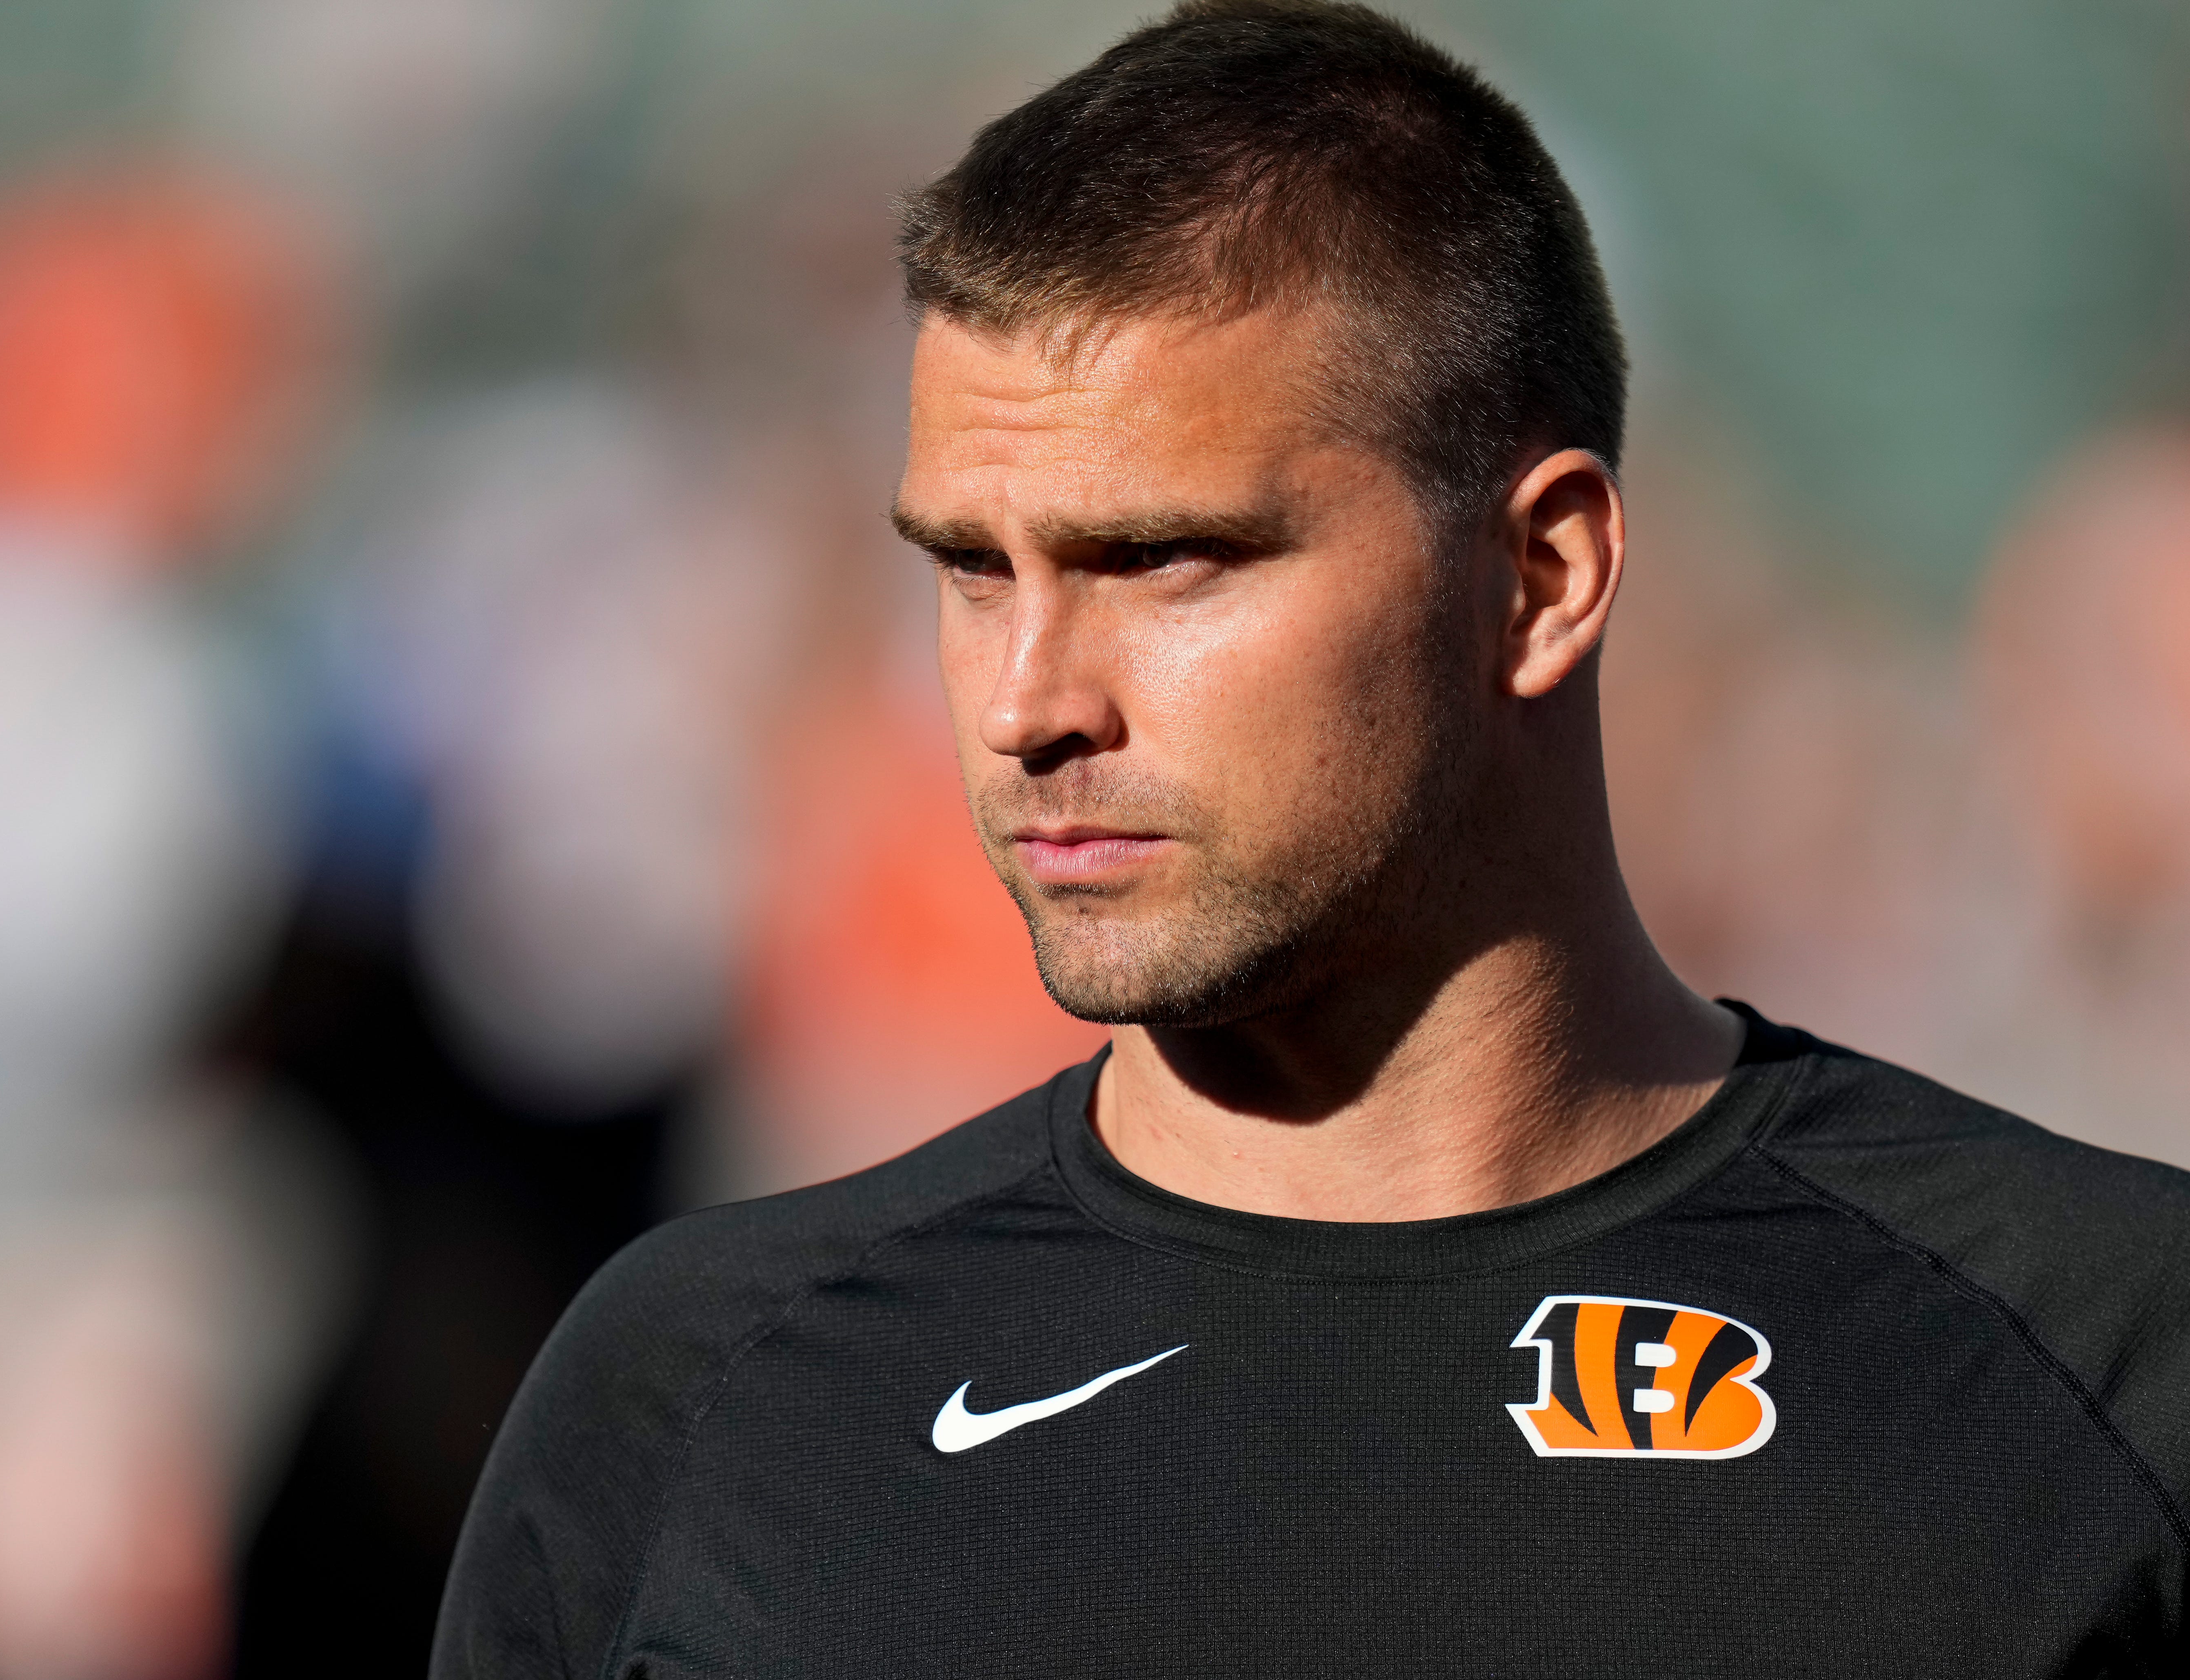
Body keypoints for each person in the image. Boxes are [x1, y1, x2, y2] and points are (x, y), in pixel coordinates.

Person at [432, 4, 2190, 1673]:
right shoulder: (700, 1398)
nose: (1025, 701)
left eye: (1163, 560)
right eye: (972, 569)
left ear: (1541, 574)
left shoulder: (2098, 1365)